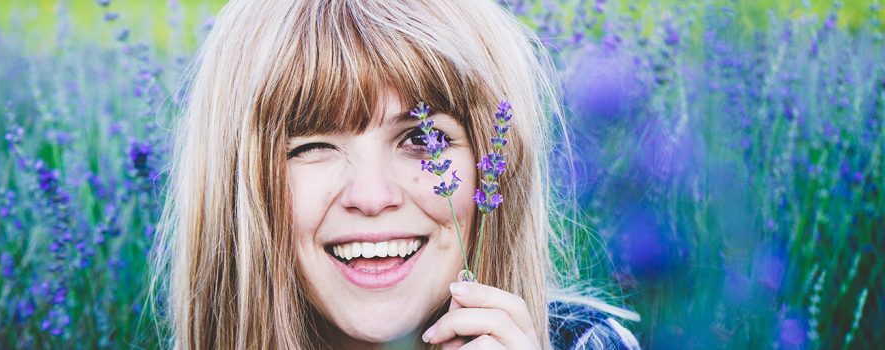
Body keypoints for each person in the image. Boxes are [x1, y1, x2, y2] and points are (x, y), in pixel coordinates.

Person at [150, 0, 640, 348]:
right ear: (240, 184)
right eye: (313, 146)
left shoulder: (588, 343)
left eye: (421, 141)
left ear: (494, 166)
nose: (371, 195)